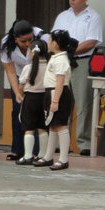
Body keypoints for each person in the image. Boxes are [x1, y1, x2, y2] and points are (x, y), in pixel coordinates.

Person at [52, 0, 103, 156]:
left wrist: (70, 51)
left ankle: (84, 143)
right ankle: (60, 141)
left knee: (83, 103)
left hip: (81, 62)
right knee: (61, 100)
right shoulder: (62, 16)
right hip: (61, 62)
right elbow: (53, 38)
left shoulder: (93, 17)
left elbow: (91, 41)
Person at [34, 30, 79, 171]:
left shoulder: (61, 60)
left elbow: (60, 82)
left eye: (49, 41)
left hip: (57, 93)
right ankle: (48, 156)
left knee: (61, 125)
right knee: (53, 125)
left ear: (54, 43)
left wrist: (55, 101)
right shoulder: (55, 57)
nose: (48, 43)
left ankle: (64, 159)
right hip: (51, 92)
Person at [0, 21, 46, 160]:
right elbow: (10, 71)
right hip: (20, 78)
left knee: (38, 116)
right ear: (15, 39)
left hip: (40, 78)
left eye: (30, 40)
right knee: (18, 111)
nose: (27, 44)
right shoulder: (5, 44)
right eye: (23, 41)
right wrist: (17, 92)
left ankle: (38, 152)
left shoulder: (43, 37)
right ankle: (18, 150)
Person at [15, 39, 49, 165]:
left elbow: (21, 86)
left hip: (30, 99)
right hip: (45, 99)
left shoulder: (28, 68)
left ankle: (28, 155)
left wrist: (20, 95)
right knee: (42, 128)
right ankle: (43, 155)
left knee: (28, 128)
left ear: (31, 53)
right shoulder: (49, 66)